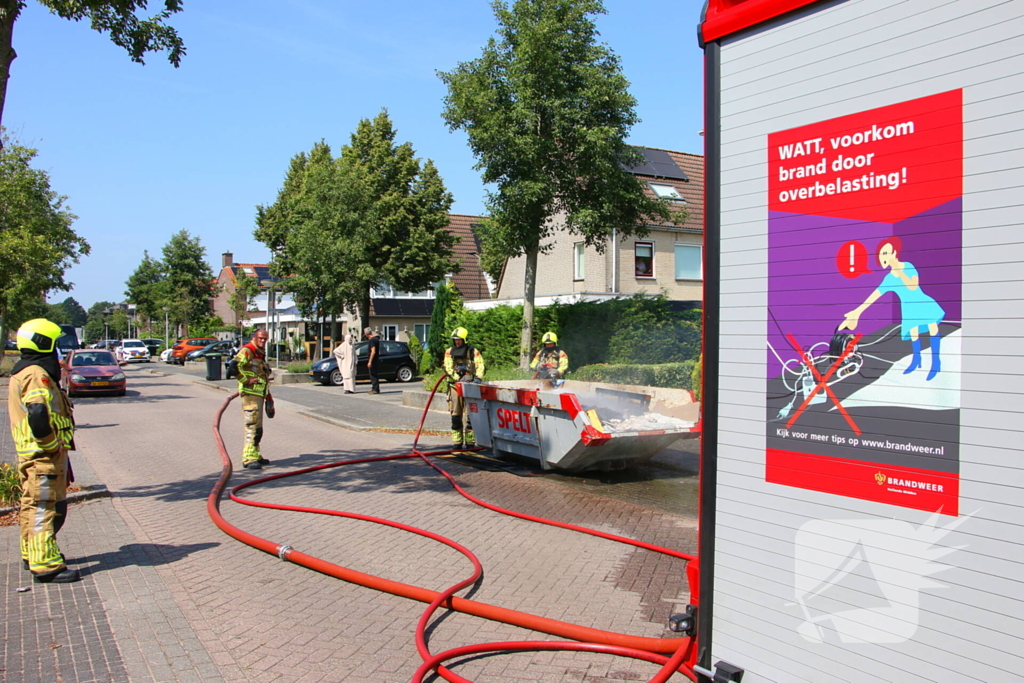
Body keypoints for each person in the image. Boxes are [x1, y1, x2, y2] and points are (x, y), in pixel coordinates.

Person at [9, 319, 79, 583]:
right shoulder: (35, 373)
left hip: (35, 456)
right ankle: (47, 567)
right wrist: (51, 445)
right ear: (43, 343)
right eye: (55, 343)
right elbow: (38, 412)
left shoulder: (23, 370)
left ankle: (32, 555)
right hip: (43, 457)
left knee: (32, 507)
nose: (57, 350)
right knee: (45, 510)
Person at [840, 236, 945, 381]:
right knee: (914, 333)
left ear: (894, 253)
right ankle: (917, 360)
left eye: (886, 253)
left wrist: (899, 270)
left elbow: (913, 286)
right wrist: (857, 312)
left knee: (932, 328)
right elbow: (874, 295)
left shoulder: (908, 266)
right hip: (909, 308)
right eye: (882, 254)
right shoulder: (889, 278)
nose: (884, 257)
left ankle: (936, 362)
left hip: (921, 302)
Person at [234, 329, 274, 469]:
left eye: (265, 339)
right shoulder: (248, 350)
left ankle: (255, 454)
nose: (263, 341)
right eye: (260, 338)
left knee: (258, 427)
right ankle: (248, 458)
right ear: (254, 337)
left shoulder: (259, 352)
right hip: (250, 395)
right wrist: (245, 380)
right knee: (252, 426)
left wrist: (269, 397)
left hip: (259, 394)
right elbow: (233, 367)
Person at [443, 327, 486, 448]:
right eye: (455, 340)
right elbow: (448, 367)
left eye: (459, 340)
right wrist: (458, 378)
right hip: (454, 388)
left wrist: (478, 378)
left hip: (470, 388)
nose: (457, 342)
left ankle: (470, 442)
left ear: (464, 340)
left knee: (470, 417)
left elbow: (480, 365)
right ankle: (457, 443)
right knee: (456, 416)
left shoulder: (472, 351)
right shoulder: (449, 351)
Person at [365, 327, 381, 394]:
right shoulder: (376, 339)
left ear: (366, 333)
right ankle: (376, 388)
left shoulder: (372, 340)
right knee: (375, 374)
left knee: (373, 375)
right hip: (376, 359)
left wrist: (370, 361)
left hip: (373, 360)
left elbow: (373, 351)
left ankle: (375, 389)